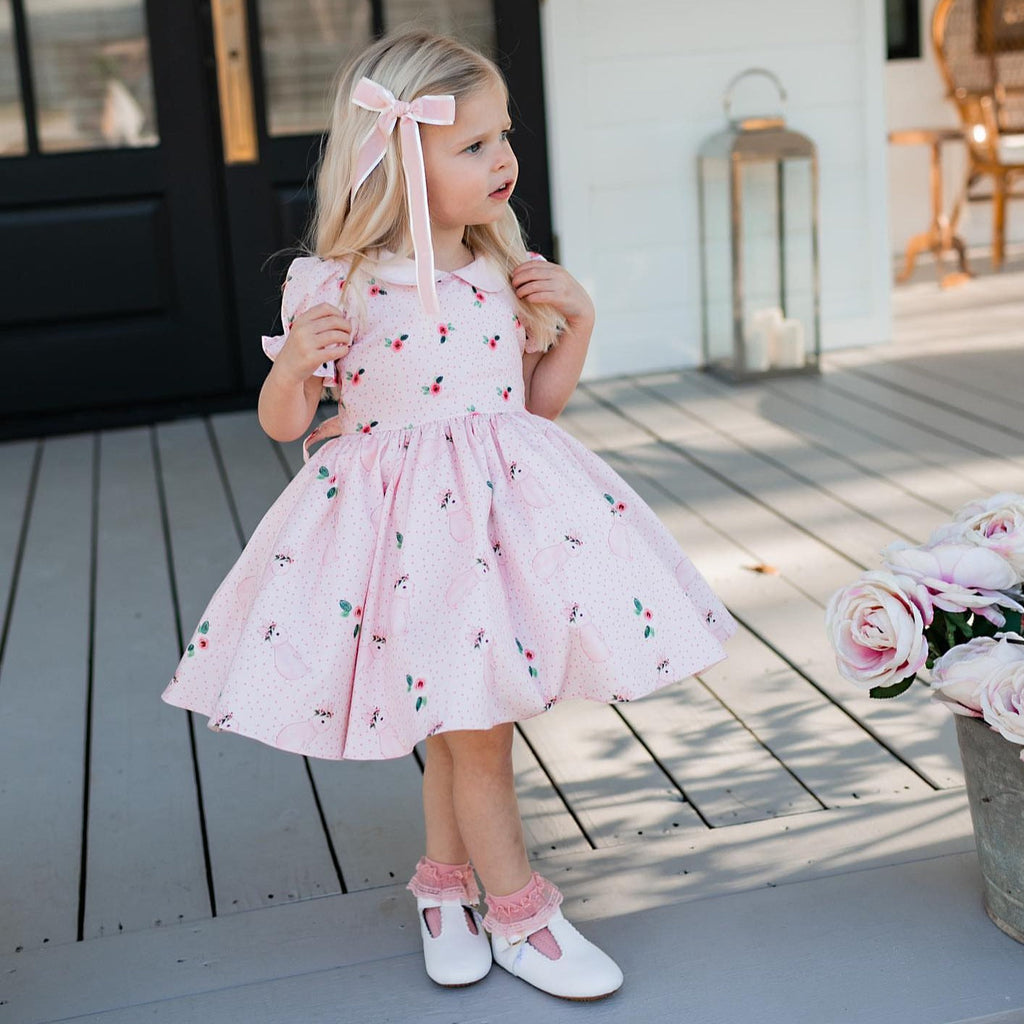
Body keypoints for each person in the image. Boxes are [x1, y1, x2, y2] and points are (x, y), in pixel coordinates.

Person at [163, 29, 735, 1002]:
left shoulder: (498, 270)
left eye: (502, 135)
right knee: (473, 729)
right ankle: (521, 914)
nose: (503, 158)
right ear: (393, 158)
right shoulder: (334, 285)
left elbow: (531, 408)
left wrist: (579, 318)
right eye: (471, 144)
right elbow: (286, 420)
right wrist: (298, 365)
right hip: (403, 540)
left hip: (503, 529)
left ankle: (442, 889)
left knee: (464, 716)